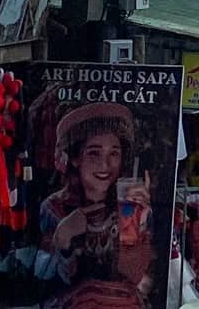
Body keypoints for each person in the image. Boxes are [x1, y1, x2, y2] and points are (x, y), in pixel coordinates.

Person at [38, 103, 155, 299]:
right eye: (94, 152)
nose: (105, 164)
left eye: (114, 153)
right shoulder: (53, 208)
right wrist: (63, 237)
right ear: (75, 158)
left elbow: (137, 282)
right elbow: (43, 278)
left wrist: (137, 226)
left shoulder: (132, 207)